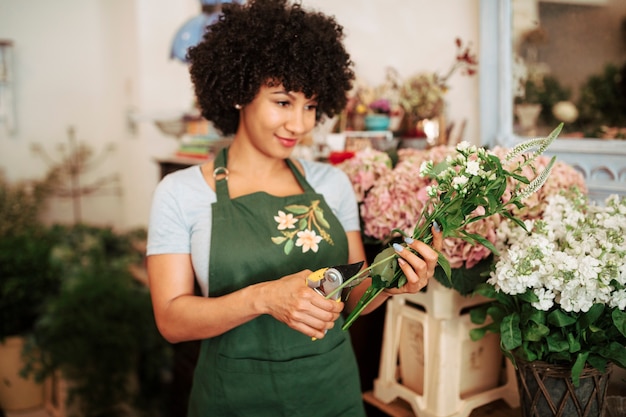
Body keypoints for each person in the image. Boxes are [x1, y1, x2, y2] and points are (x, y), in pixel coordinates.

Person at [146, 1, 443, 416]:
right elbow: (172, 320)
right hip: (234, 401)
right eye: (283, 102)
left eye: (309, 106)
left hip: (330, 393)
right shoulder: (181, 193)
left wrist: (392, 282)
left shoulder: (331, 184)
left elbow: (354, 290)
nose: (300, 125)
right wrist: (265, 298)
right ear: (238, 92)